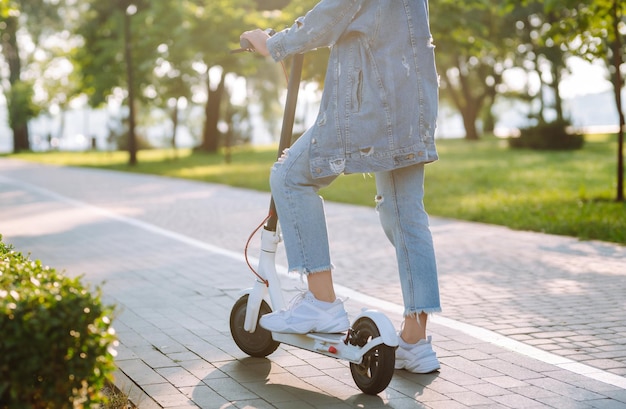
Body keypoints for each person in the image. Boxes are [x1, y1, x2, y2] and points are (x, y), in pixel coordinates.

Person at [240, 0, 441, 374]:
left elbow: (328, 17)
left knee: (289, 177)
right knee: (405, 214)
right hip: (412, 106)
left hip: (369, 107)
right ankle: (415, 341)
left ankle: (321, 301)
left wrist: (271, 43)